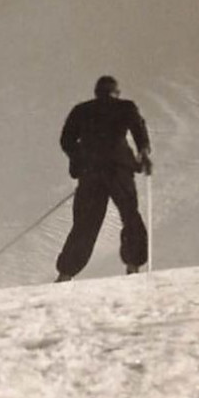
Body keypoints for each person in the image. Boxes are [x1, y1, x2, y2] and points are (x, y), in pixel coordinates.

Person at [55, 75, 152, 281]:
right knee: (130, 215)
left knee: (85, 224)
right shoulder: (125, 107)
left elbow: (66, 140)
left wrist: (81, 159)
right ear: (116, 92)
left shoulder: (81, 110)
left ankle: (66, 273)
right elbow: (139, 130)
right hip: (119, 169)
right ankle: (133, 264)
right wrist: (143, 153)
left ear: (96, 92)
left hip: (91, 173)